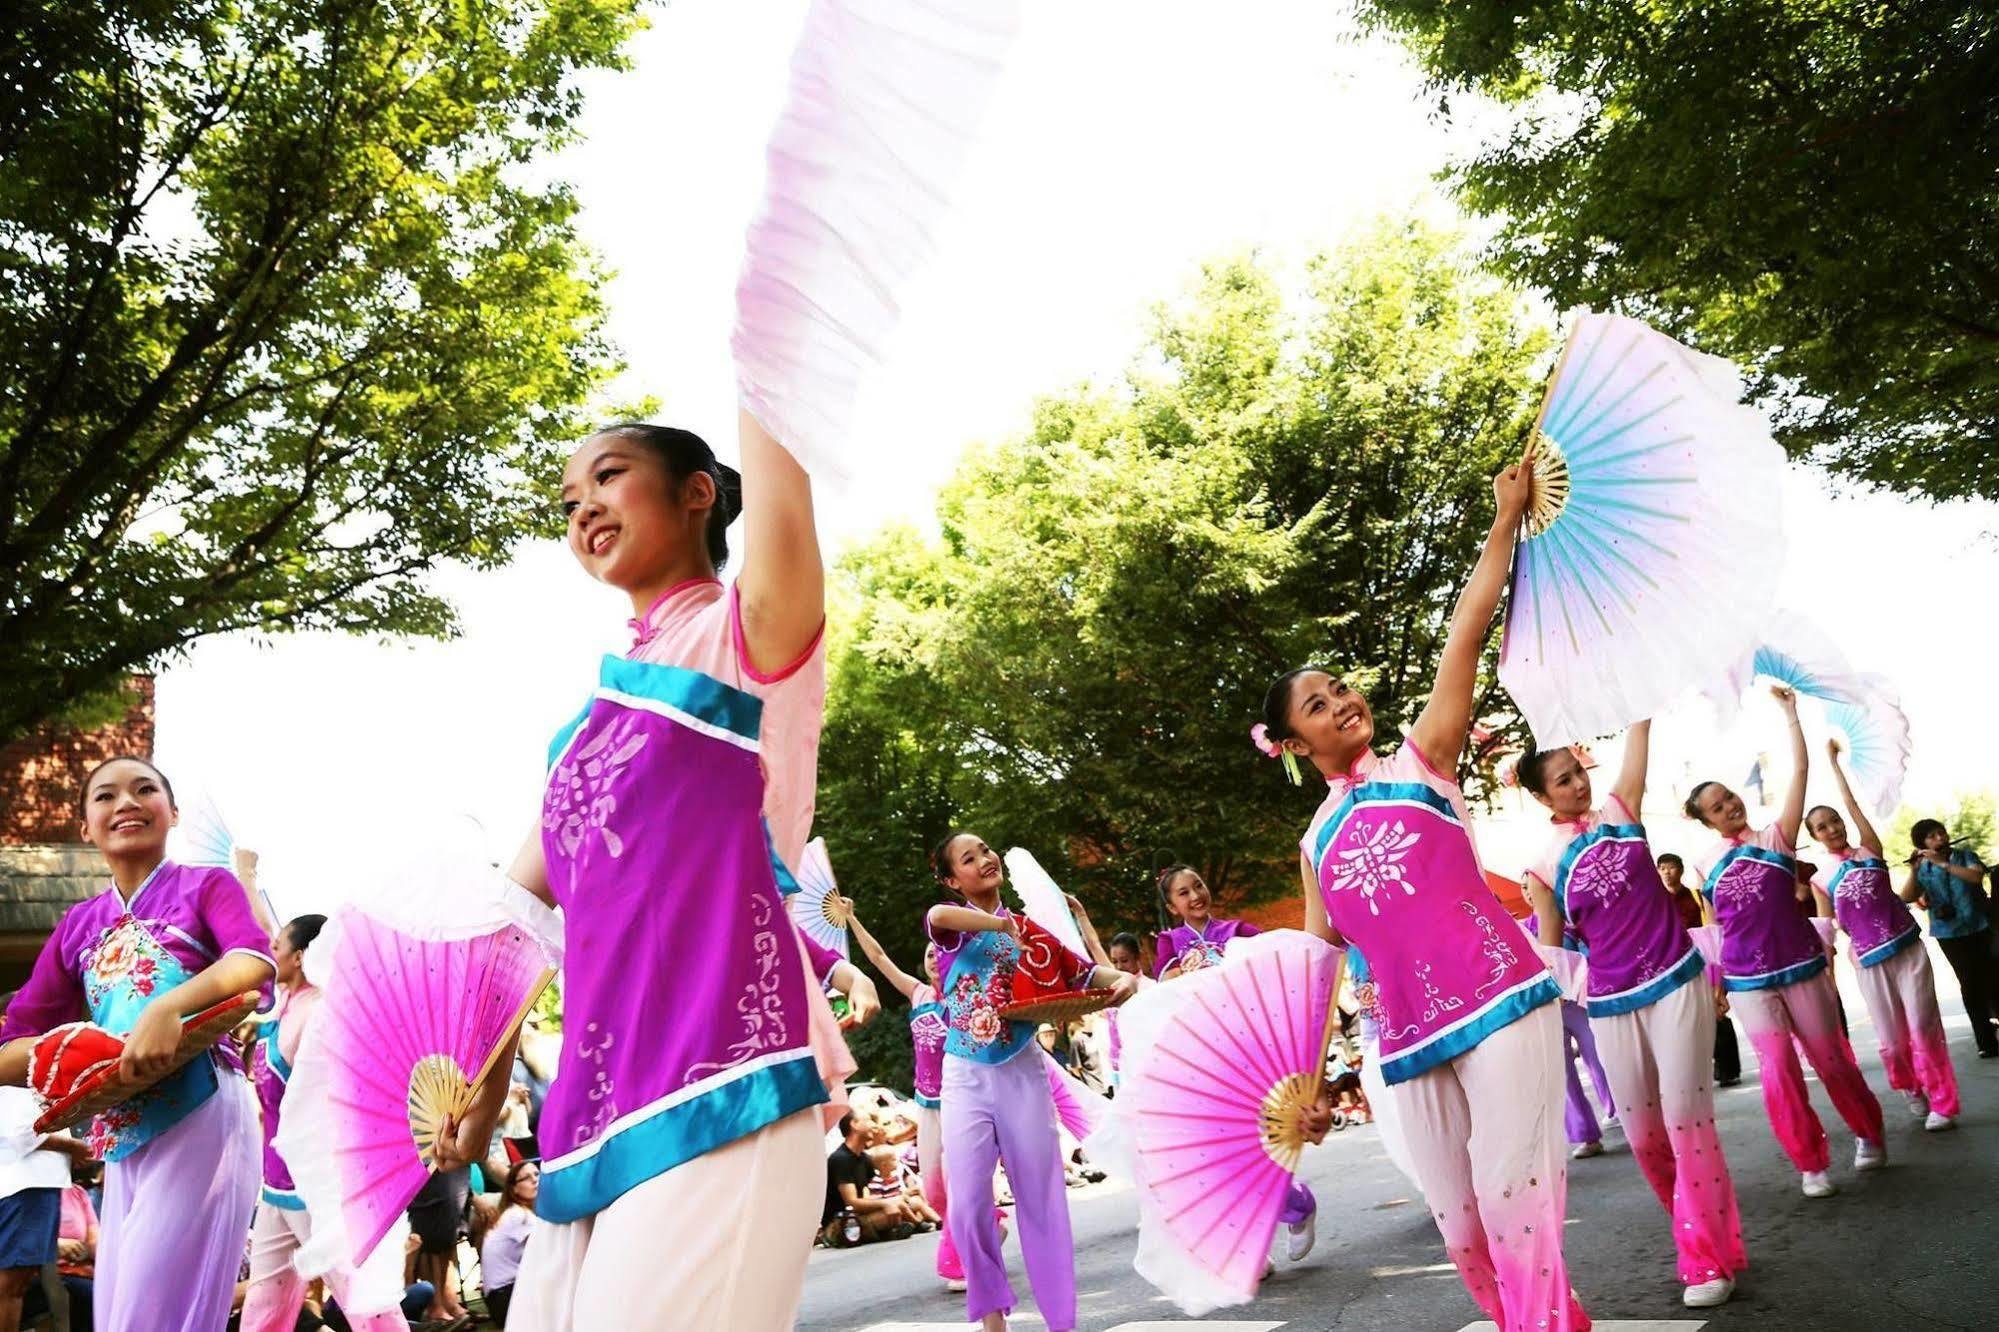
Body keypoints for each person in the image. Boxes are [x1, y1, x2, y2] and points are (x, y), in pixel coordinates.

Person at [431, 415, 839, 1331]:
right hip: (591, 1112)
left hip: (724, 1080)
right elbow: (517, 922)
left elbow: (782, 467)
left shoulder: (748, 637)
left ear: (697, 492)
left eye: (609, 478)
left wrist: (766, 335)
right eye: (569, 503)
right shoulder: (584, 730)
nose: (584, 512)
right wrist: (484, 1092)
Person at [1263, 447, 1587, 1332]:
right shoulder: (1313, 841)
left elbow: (1465, 635)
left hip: (1504, 996)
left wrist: (1503, 521)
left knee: (1511, 1189)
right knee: (1461, 1223)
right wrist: (1310, 1083)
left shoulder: (1422, 764)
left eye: (1339, 690)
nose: (1340, 704)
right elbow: (1319, 958)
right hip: (1403, 1034)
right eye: (1317, 707)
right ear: (1293, 745)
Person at [0, 755, 273, 1331]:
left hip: (202, 1109)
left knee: (152, 1314)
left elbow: (252, 962)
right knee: (119, 1310)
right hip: (119, 1130)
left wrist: (169, 1007)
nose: (125, 802)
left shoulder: (207, 886)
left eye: (144, 789)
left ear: (171, 813)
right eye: (105, 796)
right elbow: (12, 1046)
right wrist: (78, 1050)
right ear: (85, 827)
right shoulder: (79, 923)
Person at [1518, 724, 1745, 1309]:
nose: (1576, 785)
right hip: (1611, 1004)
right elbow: (1556, 954)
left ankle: (1700, 1259)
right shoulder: (1541, 868)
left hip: (1675, 981)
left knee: (1686, 1120)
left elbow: (1638, 748)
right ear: (1542, 798)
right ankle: (1706, 1238)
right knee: (1646, 1139)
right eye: (1562, 781)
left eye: (1578, 772)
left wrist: (1637, 712)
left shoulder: (1620, 810)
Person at [927, 832, 1137, 1332]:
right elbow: (938, 917)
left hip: (1022, 1071)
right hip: (964, 1076)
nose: (984, 859)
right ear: (952, 879)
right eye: (968, 858)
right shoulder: (956, 930)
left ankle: (1060, 1321)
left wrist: (1123, 982)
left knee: (1042, 1198)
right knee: (969, 1202)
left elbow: (1085, 976)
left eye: (985, 850)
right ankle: (993, 1315)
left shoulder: (1032, 930)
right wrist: (1000, 924)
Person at [1684, 687, 1886, 1199]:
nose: (1728, 805)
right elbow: (1715, 928)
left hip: (1800, 967)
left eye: (1729, 797)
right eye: (1716, 805)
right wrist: (1717, 984)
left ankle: (1868, 1131)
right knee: (1777, 1072)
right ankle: (1809, 1161)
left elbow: (1798, 773)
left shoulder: (1775, 838)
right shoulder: (1704, 864)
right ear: (1705, 819)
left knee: (1831, 1058)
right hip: (1748, 981)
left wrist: (1791, 715)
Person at [243, 913, 408, 1332]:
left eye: (277, 945)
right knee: (264, 1303)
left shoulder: (319, 1016)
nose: (270, 950)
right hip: (275, 1185)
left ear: (299, 957)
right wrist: (247, 876)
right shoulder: (283, 1008)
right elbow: (261, 928)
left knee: (363, 1303)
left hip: (316, 1187)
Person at [1151, 863, 1317, 1262]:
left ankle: (1296, 1207)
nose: (1195, 896)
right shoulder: (1169, 942)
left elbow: (1277, 961)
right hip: (1201, 1054)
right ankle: (1255, 1245)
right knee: (1217, 1151)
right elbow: (1161, 983)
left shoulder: (1238, 933)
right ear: (1173, 906)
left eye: (1198, 886)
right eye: (1184, 893)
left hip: (1246, 1047)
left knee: (1248, 1144)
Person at [1808, 743, 1959, 1130]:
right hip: (1868, 963)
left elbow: (1851, 802)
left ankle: (1942, 1102)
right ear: (1814, 836)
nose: (1833, 828)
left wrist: (1833, 763)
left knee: (1924, 1025)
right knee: (1892, 1042)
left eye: (1835, 821)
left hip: (1907, 950)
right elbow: (1826, 931)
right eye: (1822, 826)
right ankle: (1911, 1088)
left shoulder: (1870, 850)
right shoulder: (1819, 878)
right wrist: (1827, 975)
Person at [847, 908, 968, 1291]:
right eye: (928, 954)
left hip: (961, 1102)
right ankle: (988, 1225)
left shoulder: (963, 995)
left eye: (939, 952)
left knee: (959, 1180)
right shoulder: (917, 993)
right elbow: (880, 959)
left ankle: (964, 1257)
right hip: (926, 1104)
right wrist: (852, 919)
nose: (934, 957)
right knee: (933, 1191)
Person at [1900, 819, 1999, 1059]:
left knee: (1993, 977)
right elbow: (1906, 896)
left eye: (1940, 833)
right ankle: (1985, 1040)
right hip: (1949, 933)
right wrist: (1914, 871)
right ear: (1922, 844)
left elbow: (1976, 877)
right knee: (1969, 982)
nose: (1940, 839)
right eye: (1931, 837)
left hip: (1980, 926)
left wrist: (1943, 864)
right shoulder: (1923, 867)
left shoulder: (1965, 856)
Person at [1659, 852, 1741, 1085]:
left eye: (1671, 867)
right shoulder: (1658, 901)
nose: (1667, 872)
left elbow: (1714, 928)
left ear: (1681, 870)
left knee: (1717, 1010)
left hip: (1706, 959)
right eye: (1662, 868)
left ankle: (1728, 1069)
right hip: (1675, 961)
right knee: (1684, 1016)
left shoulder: (1696, 896)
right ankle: (1694, 1072)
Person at [0, 1083, 73, 1332]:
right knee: (11, 1286)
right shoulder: (23, 1072)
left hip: (25, 1185)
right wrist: (76, 1148)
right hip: (27, 1185)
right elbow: (22, 1133)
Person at [822, 1113, 914, 1245]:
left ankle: (893, 1229)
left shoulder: (864, 1159)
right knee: (892, 1210)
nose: (874, 1125)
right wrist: (886, 1203)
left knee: (909, 1203)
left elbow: (868, 1196)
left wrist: (896, 1200)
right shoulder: (840, 1159)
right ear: (854, 1124)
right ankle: (891, 1229)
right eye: (868, 1121)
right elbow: (852, 1202)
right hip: (839, 1223)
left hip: (860, 1215)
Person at [479, 1160, 538, 1327]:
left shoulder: (512, 1211)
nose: (535, 1180)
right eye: (526, 1178)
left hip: (500, 1298)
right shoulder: (520, 1216)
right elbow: (547, 1254)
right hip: (507, 1299)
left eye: (537, 1174)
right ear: (514, 1189)